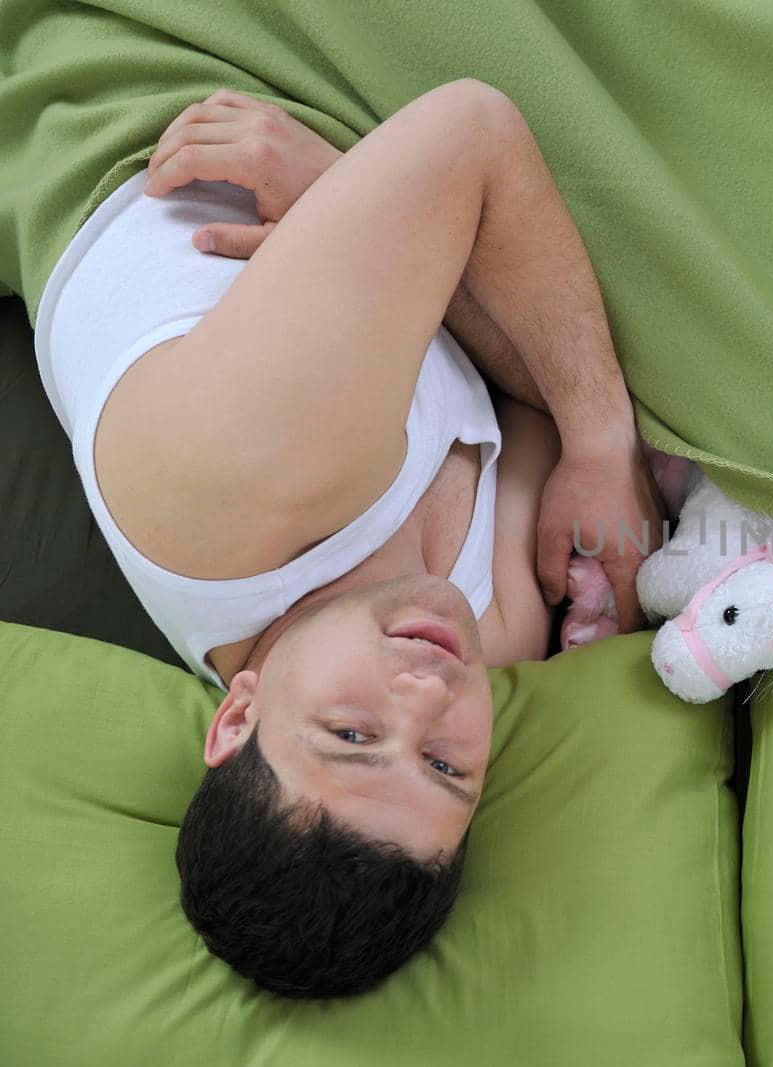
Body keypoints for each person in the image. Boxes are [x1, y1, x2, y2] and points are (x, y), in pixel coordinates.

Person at [33, 79, 665, 995]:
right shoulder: (495, 635)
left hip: (161, 100)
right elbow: (534, 390)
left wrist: (604, 433)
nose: (426, 696)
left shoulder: (240, 480)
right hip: (365, 157)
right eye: (446, 765)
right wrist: (349, 190)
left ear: (239, 714)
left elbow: (474, 129)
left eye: (351, 731)